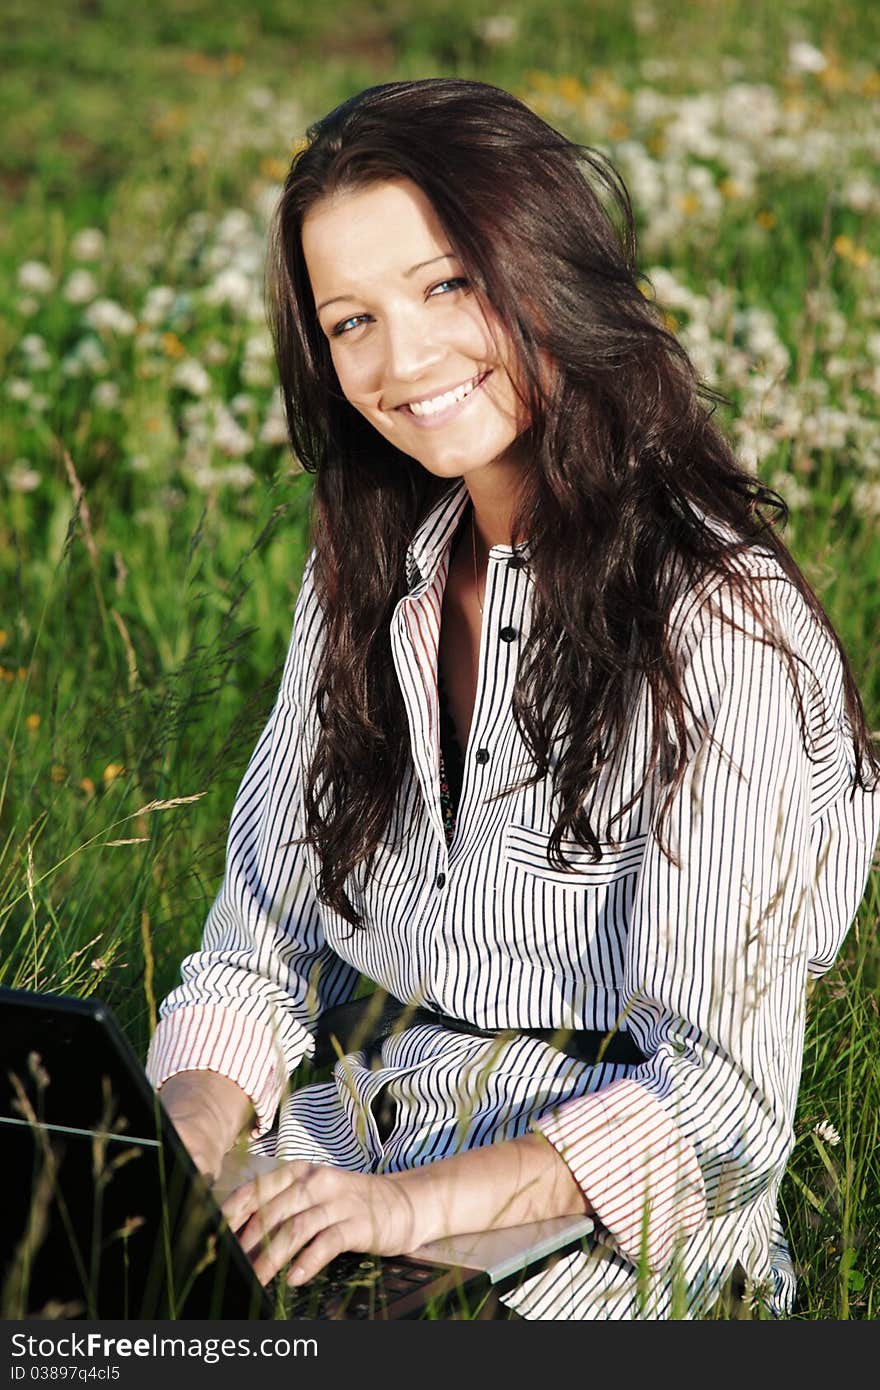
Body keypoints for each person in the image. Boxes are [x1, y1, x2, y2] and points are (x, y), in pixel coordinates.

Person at [146, 77, 880, 1320]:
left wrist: (407, 1211)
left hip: (593, 1236)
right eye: (349, 320)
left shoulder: (714, 622)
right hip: (356, 1152)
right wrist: (177, 1164)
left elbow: (722, 1109)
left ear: (548, 269)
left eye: (445, 286)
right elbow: (257, 950)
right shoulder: (363, 582)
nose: (403, 359)